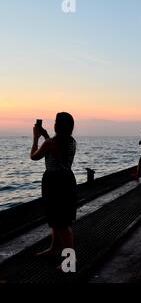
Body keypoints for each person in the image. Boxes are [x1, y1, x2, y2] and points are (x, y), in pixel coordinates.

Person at [30, 112, 77, 262]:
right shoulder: (70, 141)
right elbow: (56, 150)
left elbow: (34, 156)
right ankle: (54, 248)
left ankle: (70, 263)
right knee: (58, 219)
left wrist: (36, 138)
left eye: (56, 121)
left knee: (62, 223)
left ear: (58, 125)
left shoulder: (51, 143)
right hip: (67, 181)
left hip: (54, 182)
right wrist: (46, 135)